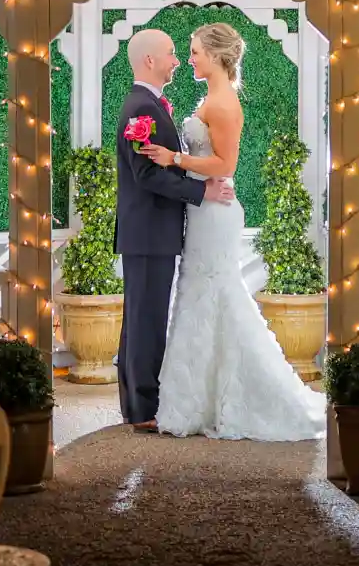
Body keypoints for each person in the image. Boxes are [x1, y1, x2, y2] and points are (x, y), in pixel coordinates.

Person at [136, 22, 326, 442]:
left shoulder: (223, 105)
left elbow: (225, 166)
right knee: (202, 295)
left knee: (214, 293)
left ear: (218, 56)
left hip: (216, 212)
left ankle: (221, 400)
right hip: (205, 208)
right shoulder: (211, 98)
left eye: (196, 52)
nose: (189, 59)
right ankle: (196, 399)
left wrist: (174, 159)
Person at [113, 28, 233, 433]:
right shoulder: (140, 109)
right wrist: (201, 191)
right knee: (145, 320)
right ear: (150, 61)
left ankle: (135, 404)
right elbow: (147, 174)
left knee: (140, 319)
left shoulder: (147, 104)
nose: (178, 60)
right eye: (170, 53)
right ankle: (143, 409)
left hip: (149, 231)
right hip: (148, 231)